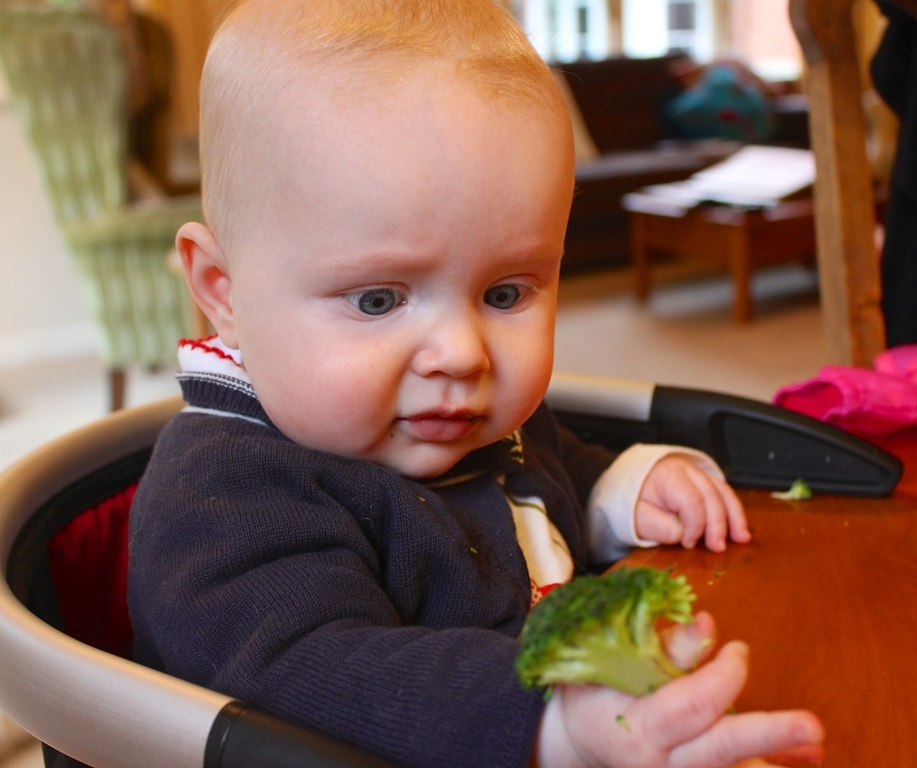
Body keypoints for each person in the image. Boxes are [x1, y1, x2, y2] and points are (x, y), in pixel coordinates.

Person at [127, 1, 824, 766]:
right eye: (377, 300)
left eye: (503, 293)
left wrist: (620, 489)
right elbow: (309, 677)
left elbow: (544, 473)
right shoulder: (223, 493)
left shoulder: (453, 415)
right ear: (223, 292)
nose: (461, 354)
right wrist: (548, 727)